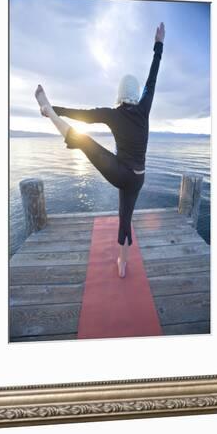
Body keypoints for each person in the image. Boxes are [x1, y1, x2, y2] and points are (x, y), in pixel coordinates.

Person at [34, 22, 165, 277]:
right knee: (125, 218)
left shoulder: (112, 114)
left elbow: (83, 115)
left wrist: (57, 109)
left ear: (118, 94)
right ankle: (123, 263)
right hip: (139, 178)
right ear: (137, 94)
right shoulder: (145, 106)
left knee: (84, 141)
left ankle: (48, 111)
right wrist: (158, 44)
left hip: (120, 173)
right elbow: (153, 77)